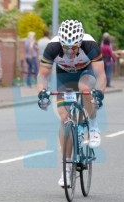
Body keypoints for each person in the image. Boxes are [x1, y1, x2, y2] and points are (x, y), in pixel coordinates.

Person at [36, 19, 106, 187]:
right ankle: (67, 169)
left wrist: (99, 94)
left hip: (86, 73)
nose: (69, 51)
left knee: (84, 88)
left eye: (74, 47)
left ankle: (94, 126)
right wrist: (42, 93)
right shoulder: (52, 47)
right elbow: (42, 75)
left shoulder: (90, 45)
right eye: (65, 47)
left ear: (80, 42)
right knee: (64, 118)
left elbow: (101, 75)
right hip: (65, 77)